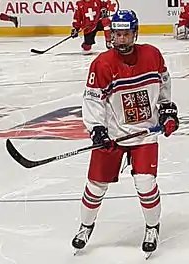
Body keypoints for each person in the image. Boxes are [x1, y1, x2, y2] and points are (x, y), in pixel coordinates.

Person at [71, 9, 179, 256]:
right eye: (116, 34)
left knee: (145, 182)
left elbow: (164, 82)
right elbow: (93, 100)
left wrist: (167, 110)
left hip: (144, 134)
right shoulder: (102, 63)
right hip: (114, 134)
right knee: (96, 185)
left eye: (125, 34)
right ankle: (86, 225)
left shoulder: (152, 55)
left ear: (135, 33)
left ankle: (152, 226)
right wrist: (97, 129)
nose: (120, 39)